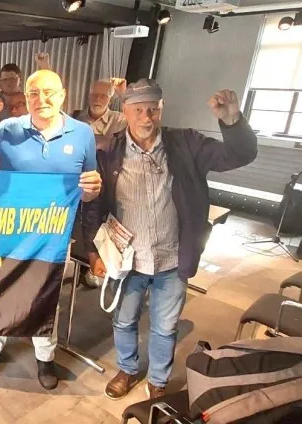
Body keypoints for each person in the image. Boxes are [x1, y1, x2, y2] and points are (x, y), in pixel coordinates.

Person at [86, 79, 258, 401]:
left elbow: (241, 154)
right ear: (125, 111)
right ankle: (127, 369)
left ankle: (158, 380)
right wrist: (94, 252)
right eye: (138, 110)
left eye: (153, 109)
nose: (146, 117)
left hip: (172, 258)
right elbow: (94, 204)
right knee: (123, 320)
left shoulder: (186, 143)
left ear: (162, 109)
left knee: (165, 326)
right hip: (128, 260)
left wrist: (233, 121)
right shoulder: (108, 151)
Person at [0, 70, 102, 390]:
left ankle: (45, 357)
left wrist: (93, 189)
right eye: (34, 93)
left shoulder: (82, 134)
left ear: (62, 95)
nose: (41, 99)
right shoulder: (8, 128)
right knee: (0, 292)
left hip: (53, 237)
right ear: (26, 97)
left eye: (49, 92)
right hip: (7, 233)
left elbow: (87, 191)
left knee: (46, 297)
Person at [72, 79, 128, 151]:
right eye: (94, 95)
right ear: (89, 97)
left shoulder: (119, 119)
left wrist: (123, 94)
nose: (98, 99)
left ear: (110, 101)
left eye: (103, 96)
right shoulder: (75, 117)